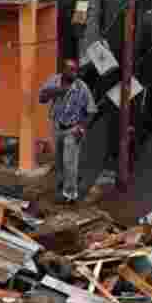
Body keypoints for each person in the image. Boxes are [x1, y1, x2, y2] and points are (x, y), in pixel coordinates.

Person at [39, 59, 96, 203]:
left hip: (73, 128)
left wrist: (82, 128)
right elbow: (42, 98)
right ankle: (64, 184)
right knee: (59, 160)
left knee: (69, 161)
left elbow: (91, 110)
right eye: (70, 69)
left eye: (76, 70)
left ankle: (70, 194)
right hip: (57, 126)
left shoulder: (81, 87)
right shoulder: (54, 81)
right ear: (63, 70)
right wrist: (58, 91)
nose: (74, 73)